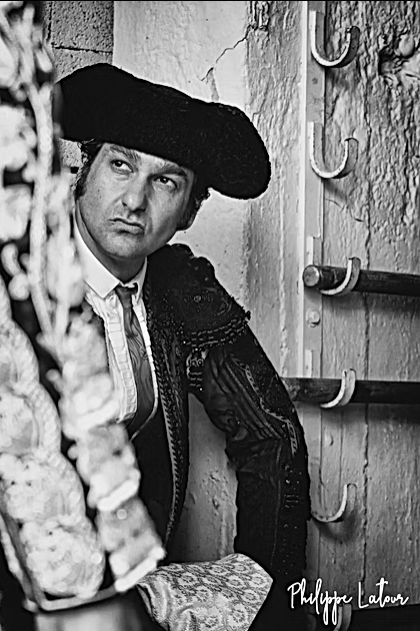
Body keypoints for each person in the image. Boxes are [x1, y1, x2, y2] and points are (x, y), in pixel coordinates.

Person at [1, 60, 310, 630]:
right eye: (121, 165)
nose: (134, 200)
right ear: (84, 171)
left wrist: (272, 590)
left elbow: (272, 436)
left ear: (190, 210)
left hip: (131, 590)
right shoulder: (20, 278)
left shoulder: (178, 290)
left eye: (166, 181)